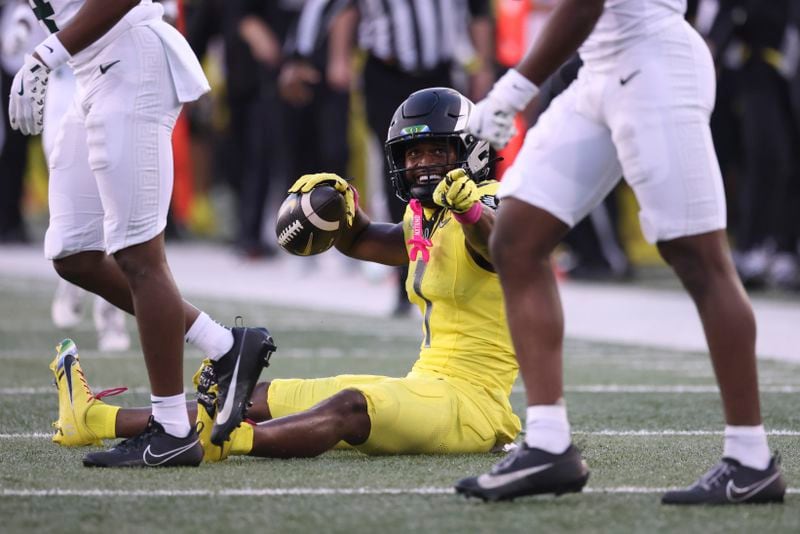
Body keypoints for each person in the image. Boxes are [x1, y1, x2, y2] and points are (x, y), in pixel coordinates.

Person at [49, 87, 523, 461]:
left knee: (350, 406)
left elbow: (500, 248)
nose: (420, 165)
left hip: (474, 405)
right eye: (411, 154)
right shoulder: (428, 215)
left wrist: (470, 212)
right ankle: (95, 420)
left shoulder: (491, 203)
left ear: (469, 151)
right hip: (426, 381)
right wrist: (340, 206)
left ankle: (225, 443)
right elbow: (361, 241)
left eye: (433, 151)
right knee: (256, 397)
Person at [455, 0, 786, 504]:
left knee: (698, 258)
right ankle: (548, 444)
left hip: (654, 62)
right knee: (517, 238)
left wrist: (512, 89)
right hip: (600, 68)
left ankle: (751, 458)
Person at [8, 0, 275, 467]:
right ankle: (225, 345)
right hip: (88, 70)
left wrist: (43, 53)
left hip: (129, 61)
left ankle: (172, 428)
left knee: (138, 254)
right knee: (73, 251)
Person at [284, 0, 494, 317]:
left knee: (456, 170)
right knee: (404, 173)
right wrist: (308, 57)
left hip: (443, 72)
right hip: (387, 74)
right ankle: (407, 276)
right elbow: (329, 5)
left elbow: (478, 10)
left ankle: (463, 266)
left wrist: (483, 65)